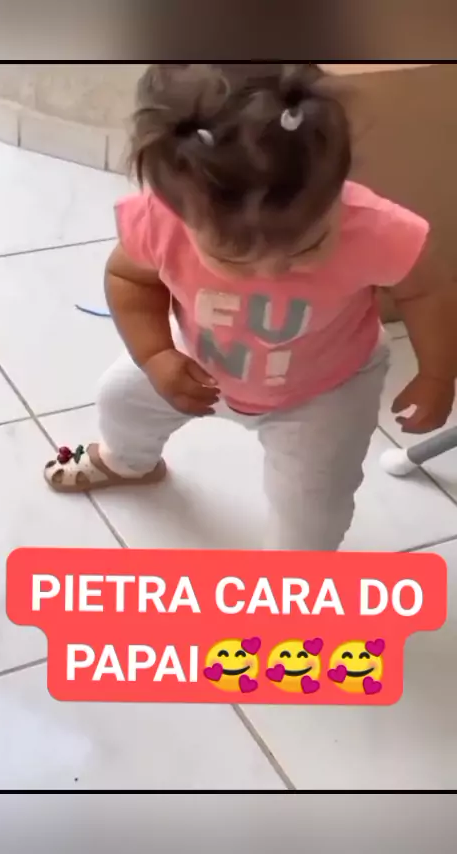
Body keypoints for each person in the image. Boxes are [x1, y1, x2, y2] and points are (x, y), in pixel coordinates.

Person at [44, 63, 457, 550]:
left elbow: (427, 292)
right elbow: (129, 278)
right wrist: (155, 355)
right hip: (196, 360)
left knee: (314, 512)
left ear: (335, 188)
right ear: (179, 211)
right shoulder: (162, 220)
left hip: (327, 392)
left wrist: (437, 374)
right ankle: (129, 462)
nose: (273, 272)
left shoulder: (375, 229)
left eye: (308, 246)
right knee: (119, 399)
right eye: (232, 257)